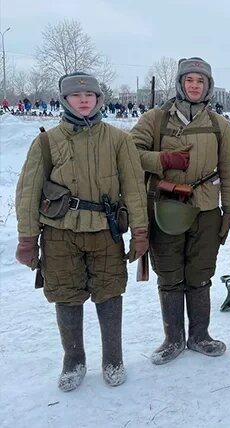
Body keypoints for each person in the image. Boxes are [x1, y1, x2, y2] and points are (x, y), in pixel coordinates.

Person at [15, 72, 148, 391]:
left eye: (90, 95)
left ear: (100, 99)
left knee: (110, 292)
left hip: (106, 231)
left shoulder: (119, 139)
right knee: (65, 294)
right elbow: (28, 191)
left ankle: (113, 359)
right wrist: (26, 239)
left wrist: (140, 232)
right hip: (60, 233)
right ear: (65, 100)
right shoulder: (47, 142)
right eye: (76, 96)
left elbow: (133, 188)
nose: (84, 100)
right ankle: (73, 361)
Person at [131, 57, 230, 365]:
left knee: (200, 273)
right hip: (166, 207)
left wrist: (228, 211)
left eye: (200, 81)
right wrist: (162, 160)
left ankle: (200, 335)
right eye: (189, 80)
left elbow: (229, 170)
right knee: (169, 273)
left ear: (208, 86)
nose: (194, 86)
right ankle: (173, 338)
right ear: (180, 83)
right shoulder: (156, 119)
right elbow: (130, 153)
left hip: (205, 208)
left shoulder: (219, 125)